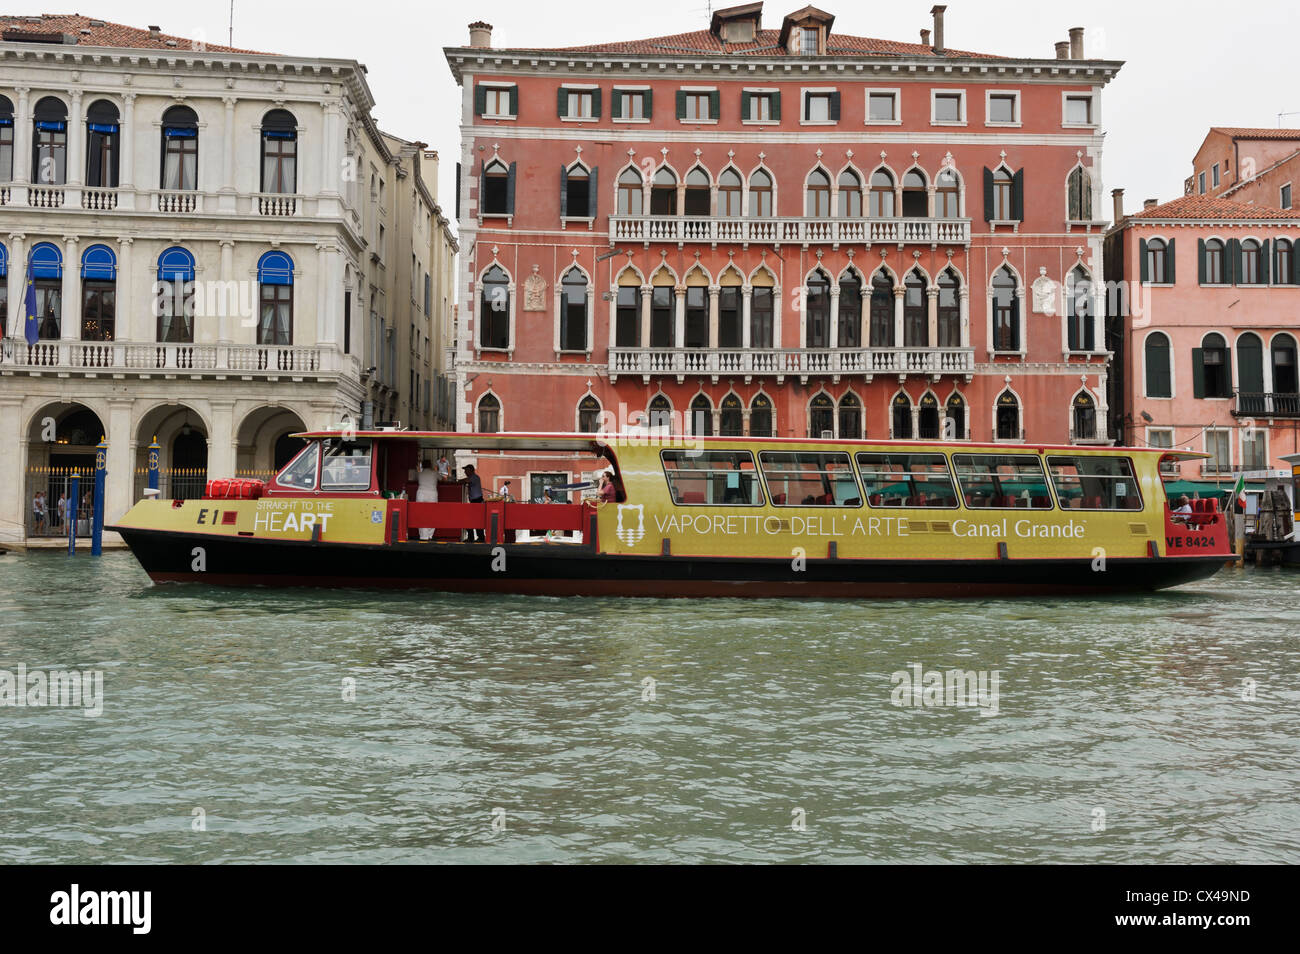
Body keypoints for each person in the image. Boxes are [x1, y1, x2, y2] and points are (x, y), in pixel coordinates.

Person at [415, 458, 438, 541]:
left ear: (422, 465)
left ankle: (423, 535)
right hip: (432, 494)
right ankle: (429, 535)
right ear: (430, 465)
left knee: (420, 515)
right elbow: (443, 478)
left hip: (421, 494)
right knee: (432, 515)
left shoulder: (419, 474)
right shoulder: (435, 473)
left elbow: (413, 478)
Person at [461, 464, 485, 542]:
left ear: (471, 470)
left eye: (466, 470)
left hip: (477, 501)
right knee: (471, 519)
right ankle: (472, 537)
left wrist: (459, 481)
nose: (465, 472)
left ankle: (480, 538)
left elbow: (465, 481)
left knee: (476, 520)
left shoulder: (475, 477)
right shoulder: (473, 478)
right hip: (474, 501)